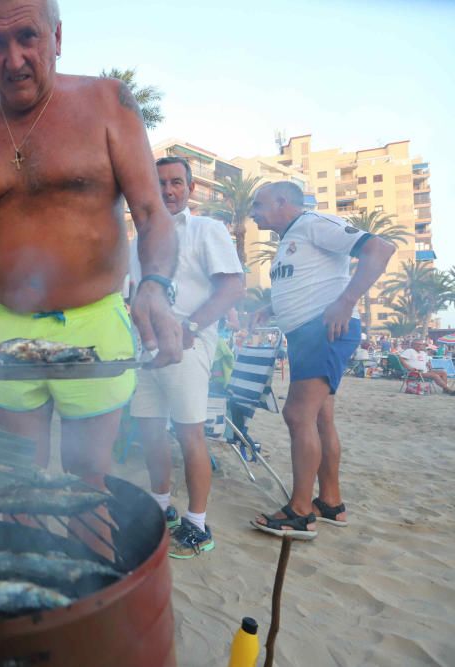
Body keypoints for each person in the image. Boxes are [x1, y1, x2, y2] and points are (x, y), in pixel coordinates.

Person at [0, 0, 182, 553]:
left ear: (57, 37)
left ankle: (90, 605)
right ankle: (25, 591)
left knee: (85, 479)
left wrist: (157, 290)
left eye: (28, 37)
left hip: (94, 323)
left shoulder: (107, 102)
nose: (14, 58)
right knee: (18, 476)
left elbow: (151, 212)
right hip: (10, 331)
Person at [248, 181, 395, 540]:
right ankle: (330, 503)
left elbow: (380, 247)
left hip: (324, 330)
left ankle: (300, 512)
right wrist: (273, 307)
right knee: (321, 417)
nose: (252, 212)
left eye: (258, 203)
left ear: (283, 202)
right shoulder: (289, 238)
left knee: (298, 415)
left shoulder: (314, 223)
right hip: (305, 334)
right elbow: (308, 281)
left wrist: (345, 302)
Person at [129, 156, 245, 559]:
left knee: (189, 434)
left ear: (191, 189)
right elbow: (134, 295)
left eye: (176, 182)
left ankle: (197, 525)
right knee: (148, 430)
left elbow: (232, 287)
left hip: (189, 348)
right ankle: (162, 509)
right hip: (144, 351)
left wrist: (192, 328)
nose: (168, 190)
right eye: (159, 182)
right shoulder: (139, 240)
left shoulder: (206, 229)